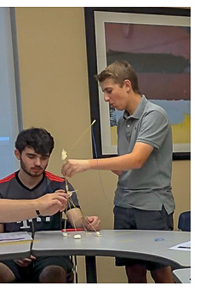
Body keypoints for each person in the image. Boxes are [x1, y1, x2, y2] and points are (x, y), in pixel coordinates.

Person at [62, 60, 175, 283]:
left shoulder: (154, 115)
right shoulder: (123, 121)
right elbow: (125, 167)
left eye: (109, 91)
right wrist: (114, 166)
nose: (106, 98)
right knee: (132, 270)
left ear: (126, 85)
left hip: (151, 206)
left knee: (160, 271)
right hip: (124, 203)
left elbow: (136, 160)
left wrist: (88, 164)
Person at [0, 128, 101, 283]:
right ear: (18, 154)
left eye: (44, 158)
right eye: (31, 157)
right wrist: (13, 253)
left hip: (50, 255)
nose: (38, 163)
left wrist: (87, 222)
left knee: (53, 273)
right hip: (12, 256)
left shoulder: (59, 185)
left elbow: (77, 219)